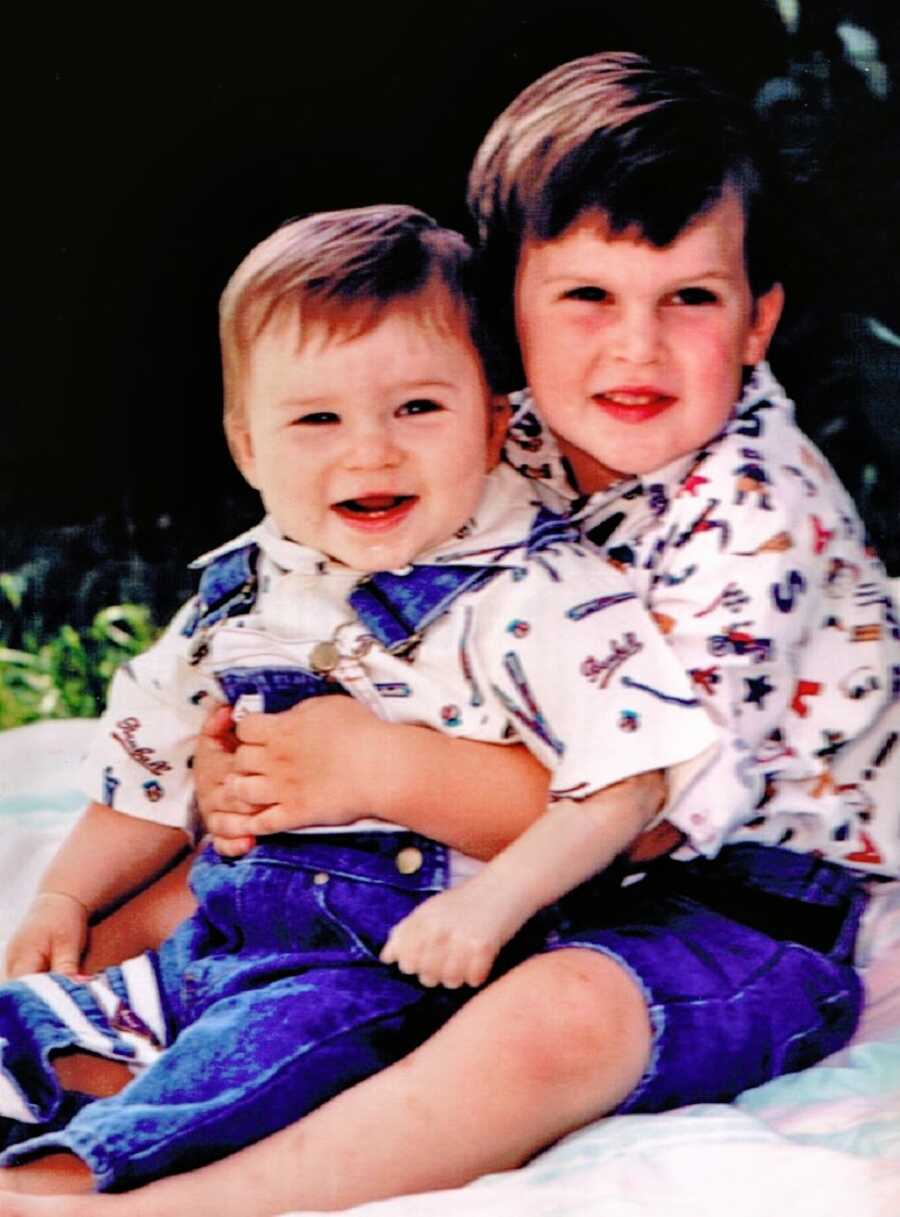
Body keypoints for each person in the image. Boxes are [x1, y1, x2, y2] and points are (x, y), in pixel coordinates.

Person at [2, 49, 898, 1217]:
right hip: (464, 866)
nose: (636, 349)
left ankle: (187, 1201)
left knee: (558, 1015)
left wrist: (377, 765)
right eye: (587, 297)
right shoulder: (479, 436)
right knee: (217, 890)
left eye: (690, 297)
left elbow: (651, 817)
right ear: (504, 309)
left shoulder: (760, 519)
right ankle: (85, 1054)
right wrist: (251, 766)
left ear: (757, 320)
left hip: (733, 899)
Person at [0, 202, 715, 1196]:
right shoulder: (245, 588)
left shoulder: (538, 590)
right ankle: (100, 1076)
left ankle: (85, 1171)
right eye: (317, 419)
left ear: (494, 421)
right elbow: (147, 768)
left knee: (267, 1050)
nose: (370, 450)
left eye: (418, 409)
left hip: (393, 958)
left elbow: (629, 774)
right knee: (41, 1007)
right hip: (232, 924)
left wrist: (492, 902)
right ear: (249, 446)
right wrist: (63, 893)